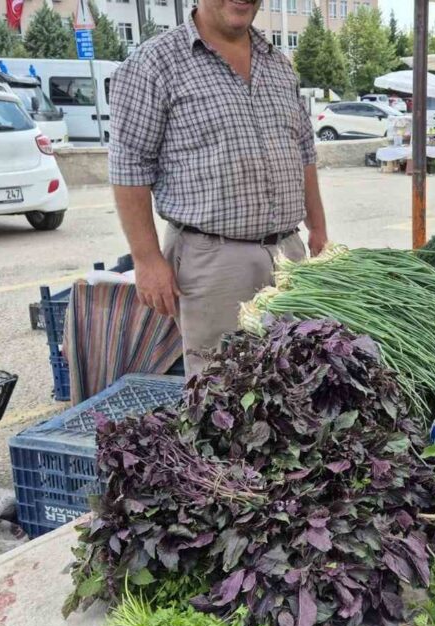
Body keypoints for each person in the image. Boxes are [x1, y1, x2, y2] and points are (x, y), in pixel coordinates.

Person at [108, 0, 328, 374]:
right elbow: (129, 164)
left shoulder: (278, 64)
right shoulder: (155, 64)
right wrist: (147, 260)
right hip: (214, 262)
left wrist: (318, 229)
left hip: (289, 255)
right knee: (221, 391)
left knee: (294, 384)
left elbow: (304, 151)